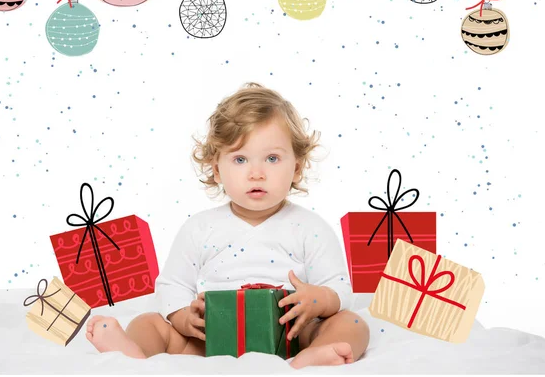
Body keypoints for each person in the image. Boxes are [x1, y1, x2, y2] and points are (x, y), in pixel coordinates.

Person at [86, 82, 370, 368]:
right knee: (148, 322)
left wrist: (319, 299)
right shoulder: (200, 228)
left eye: (272, 158)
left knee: (353, 323)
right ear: (217, 169)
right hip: (211, 340)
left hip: (291, 336)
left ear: (296, 167)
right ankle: (132, 355)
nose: (256, 173)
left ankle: (312, 358)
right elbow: (173, 284)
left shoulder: (311, 227)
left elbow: (339, 287)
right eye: (240, 159)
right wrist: (185, 318)